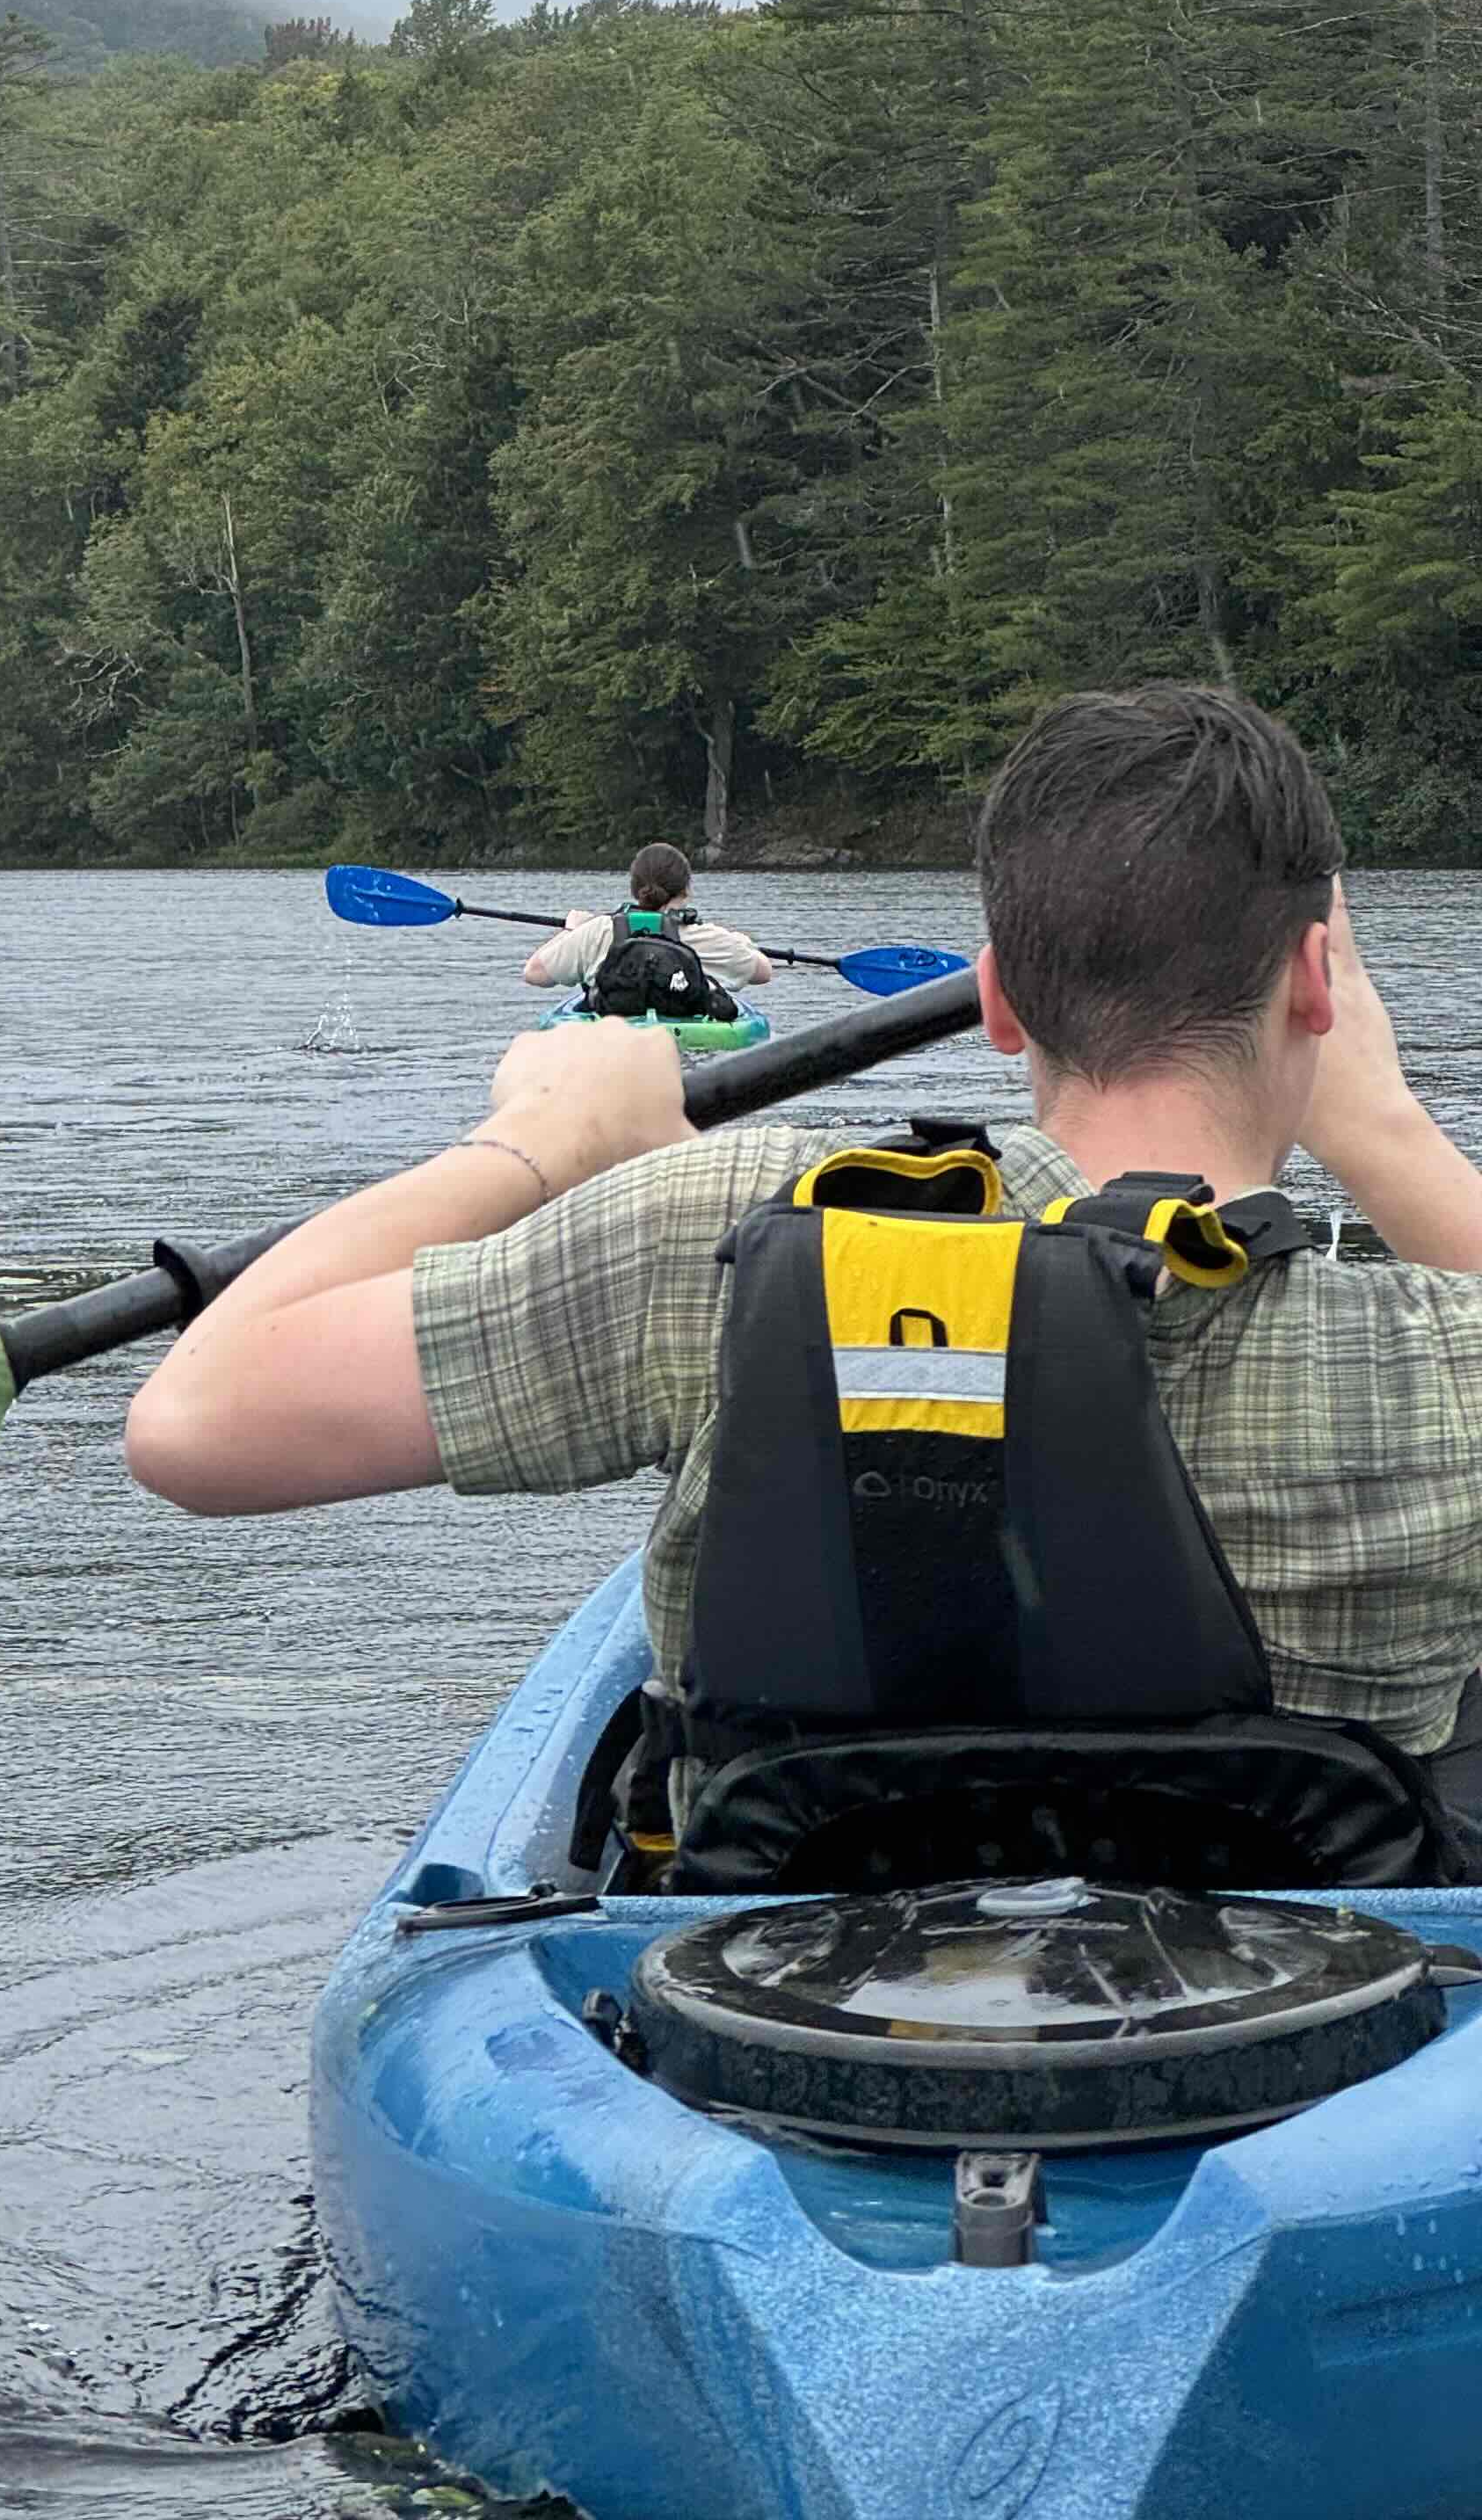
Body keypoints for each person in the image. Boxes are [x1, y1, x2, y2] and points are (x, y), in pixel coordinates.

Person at [126, 686, 1482, 1841]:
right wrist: (1388, 1132)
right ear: (1318, 986)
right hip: (1288, 2014)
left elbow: (195, 1426)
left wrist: (530, 1147)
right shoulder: (1445, 1354)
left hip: (786, 2012)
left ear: (1001, 1000)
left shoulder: (712, 1229)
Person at [520, 842, 773, 1018]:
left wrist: (571, 930)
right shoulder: (708, 937)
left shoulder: (598, 931)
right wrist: (741, 942)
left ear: (635, 888)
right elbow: (763, 972)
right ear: (686, 891)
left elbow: (535, 973)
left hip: (612, 1037)